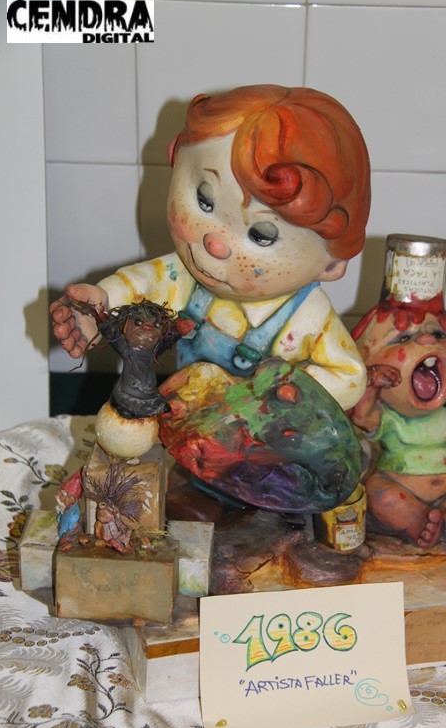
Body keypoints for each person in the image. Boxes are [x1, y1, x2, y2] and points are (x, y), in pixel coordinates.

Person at [51, 84, 371, 514]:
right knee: (155, 485)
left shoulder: (307, 317)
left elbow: (349, 376)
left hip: (262, 460)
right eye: (204, 200)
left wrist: (276, 395)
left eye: (262, 234)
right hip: (189, 442)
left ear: (331, 263)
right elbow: (143, 283)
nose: (215, 244)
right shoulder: (184, 277)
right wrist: (99, 305)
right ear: (176, 156)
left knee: (261, 512)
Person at [351, 289, 446, 548]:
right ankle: (416, 520)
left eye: (439, 334)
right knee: (378, 494)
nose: (427, 339)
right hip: (397, 484)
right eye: (403, 337)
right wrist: (371, 383)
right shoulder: (390, 419)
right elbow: (362, 417)